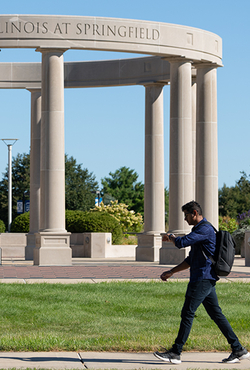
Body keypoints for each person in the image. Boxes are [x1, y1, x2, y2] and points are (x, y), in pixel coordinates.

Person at [154, 200, 249, 365]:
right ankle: (238, 349)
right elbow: (191, 259)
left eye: (186, 215)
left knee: (187, 313)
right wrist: (171, 272)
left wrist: (171, 237)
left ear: (194, 213)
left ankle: (176, 352)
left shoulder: (204, 229)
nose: (185, 219)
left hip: (202, 279)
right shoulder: (200, 230)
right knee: (217, 315)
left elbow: (182, 243)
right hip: (204, 278)